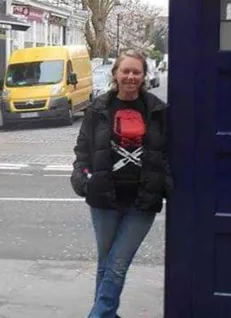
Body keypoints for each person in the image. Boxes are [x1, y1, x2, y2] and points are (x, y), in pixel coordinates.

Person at [71, 50, 172, 318]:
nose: (130, 76)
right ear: (115, 74)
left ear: (143, 76)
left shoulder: (158, 110)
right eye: (125, 71)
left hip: (143, 201)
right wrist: (82, 179)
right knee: (107, 265)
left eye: (136, 72)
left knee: (117, 264)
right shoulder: (99, 109)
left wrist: (166, 184)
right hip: (104, 198)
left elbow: (170, 153)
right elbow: (83, 149)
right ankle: (105, 314)